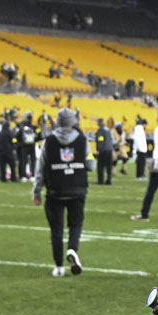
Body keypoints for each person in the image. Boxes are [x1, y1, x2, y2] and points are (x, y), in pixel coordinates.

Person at [32, 108, 94, 277]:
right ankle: (72, 249)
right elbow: (91, 165)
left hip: (55, 190)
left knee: (56, 230)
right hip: (78, 189)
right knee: (76, 225)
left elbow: (40, 168)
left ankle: (59, 266)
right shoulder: (82, 140)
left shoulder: (49, 141)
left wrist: (36, 191)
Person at [94, 118, 114, 185]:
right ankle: (109, 180)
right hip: (109, 149)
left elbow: (100, 140)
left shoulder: (101, 130)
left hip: (103, 150)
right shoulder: (107, 129)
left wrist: (98, 150)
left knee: (100, 166)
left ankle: (101, 181)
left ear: (99, 123)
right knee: (109, 166)